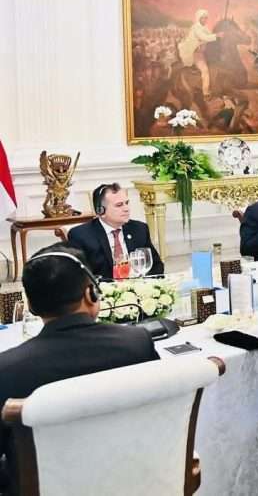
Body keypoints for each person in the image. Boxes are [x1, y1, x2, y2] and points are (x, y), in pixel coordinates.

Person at [0, 245, 159, 494]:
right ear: (90, 293)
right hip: (134, 482)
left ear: (31, 306)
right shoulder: (136, 343)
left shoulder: (7, 369)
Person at [67, 183, 164, 279]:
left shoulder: (139, 229)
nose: (126, 209)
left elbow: (157, 266)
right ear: (101, 211)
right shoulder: (81, 235)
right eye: (119, 205)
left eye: (126, 203)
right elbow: (80, 276)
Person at [176, 8, 221, 98]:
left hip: (203, 53)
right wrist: (217, 35)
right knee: (205, 70)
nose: (205, 20)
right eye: (203, 18)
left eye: (206, 18)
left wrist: (218, 32)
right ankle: (206, 92)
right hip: (195, 54)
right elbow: (204, 37)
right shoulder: (196, 28)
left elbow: (210, 35)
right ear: (199, 18)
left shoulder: (204, 28)